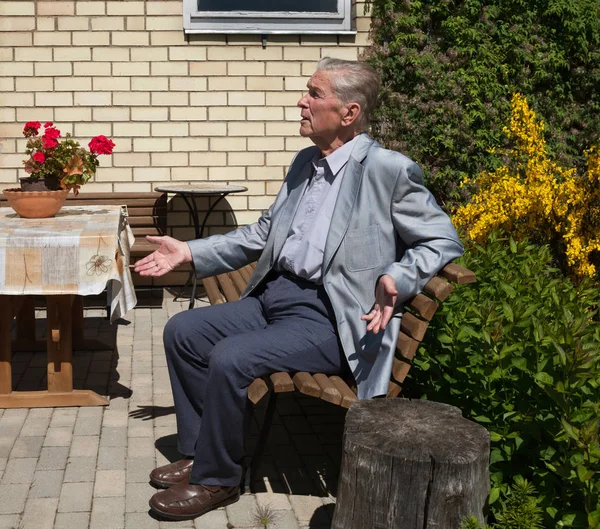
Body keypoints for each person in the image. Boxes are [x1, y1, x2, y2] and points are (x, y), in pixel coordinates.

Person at [134, 57, 464, 521]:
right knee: (184, 332)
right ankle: (198, 453)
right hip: (276, 297)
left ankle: (219, 479)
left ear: (349, 113)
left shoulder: (389, 170)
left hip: (331, 318)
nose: (301, 101)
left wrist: (399, 277)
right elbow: (262, 233)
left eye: (314, 93)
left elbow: (441, 239)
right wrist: (188, 252)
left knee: (231, 357)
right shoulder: (305, 163)